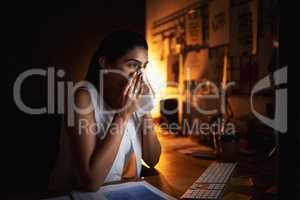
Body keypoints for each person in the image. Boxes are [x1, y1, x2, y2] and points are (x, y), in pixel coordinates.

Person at [48, 30, 161, 192]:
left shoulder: (133, 100)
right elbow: (91, 183)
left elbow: (152, 159)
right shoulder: (82, 97)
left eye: (143, 67)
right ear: (106, 63)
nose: (139, 75)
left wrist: (145, 109)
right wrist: (123, 116)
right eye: (132, 65)